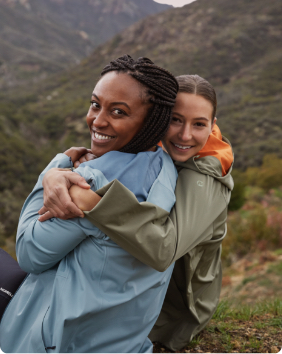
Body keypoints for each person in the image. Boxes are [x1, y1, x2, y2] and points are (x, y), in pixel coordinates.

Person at [40, 74, 234, 352]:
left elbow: (164, 250)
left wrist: (95, 202)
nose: (185, 134)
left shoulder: (208, 174)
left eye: (199, 124)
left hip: (168, 314)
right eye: (175, 120)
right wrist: (59, 170)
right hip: (126, 290)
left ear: (212, 126)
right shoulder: (155, 149)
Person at [0, 55, 180, 353]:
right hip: (120, 342)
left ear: (152, 123)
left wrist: (56, 169)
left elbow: (30, 252)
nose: (97, 120)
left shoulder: (91, 185)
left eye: (118, 112)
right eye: (96, 104)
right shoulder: (166, 167)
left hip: (49, 341)